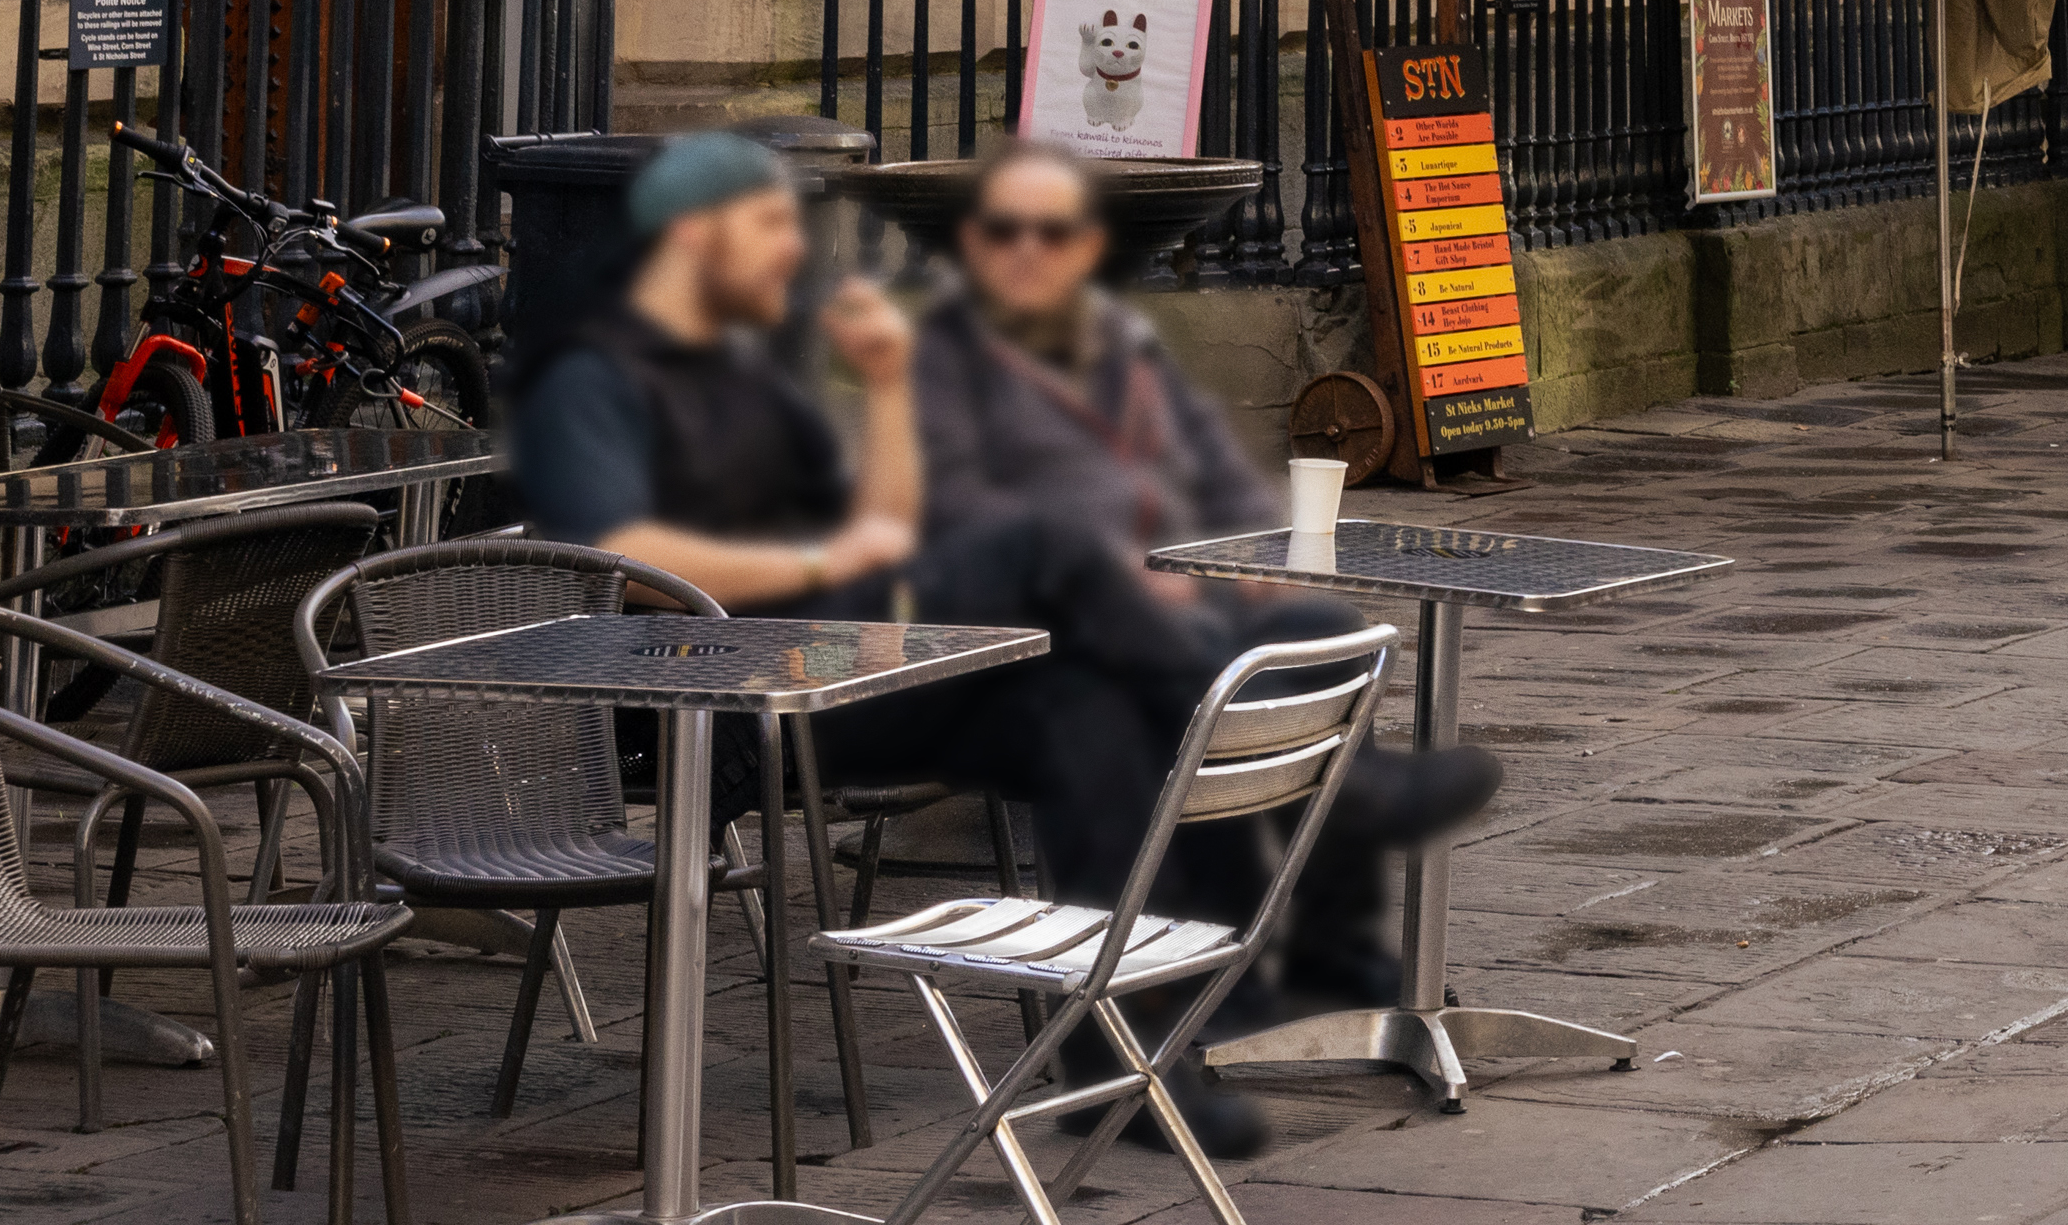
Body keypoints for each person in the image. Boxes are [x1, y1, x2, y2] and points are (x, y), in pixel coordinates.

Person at [513, 135, 1469, 1156]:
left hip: (844, 657)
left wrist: (882, 389)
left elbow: (880, 519)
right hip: (726, 694)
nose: (796, 255)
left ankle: (1127, 1060)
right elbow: (618, 560)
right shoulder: (596, 381)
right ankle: (1298, 753)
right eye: (772, 228)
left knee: (1094, 717)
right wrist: (832, 558)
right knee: (1050, 548)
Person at [910, 137, 1487, 1016]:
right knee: (1204, 694)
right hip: (1026, 638)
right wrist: (1139, 579)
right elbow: (976, 530)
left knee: (1315, 634)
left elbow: (1215, 476)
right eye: (1006, 229)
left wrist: (1245, 560)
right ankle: (1245, 934)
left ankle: (1334, 952)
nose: (1030, 249)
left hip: (1153, 601)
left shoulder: (1118, 346)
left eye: (1053, 231)